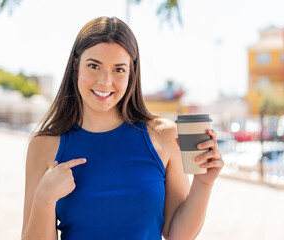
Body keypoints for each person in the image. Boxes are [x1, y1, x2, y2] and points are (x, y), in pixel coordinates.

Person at [21, 16, 224, 240]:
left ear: (131, 73)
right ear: (75, 65)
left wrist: (204, 183)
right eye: (94, 66)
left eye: (118, 69)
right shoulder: (43, 145)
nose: (105, 81)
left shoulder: (163, 136)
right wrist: (44, 200)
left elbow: (177, 235)